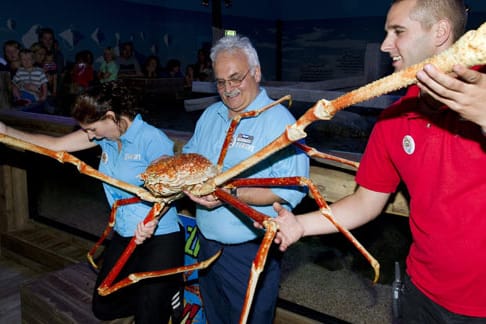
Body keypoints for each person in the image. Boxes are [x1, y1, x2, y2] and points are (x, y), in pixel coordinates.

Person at [271, 0, 486, 323]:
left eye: (397, 32)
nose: (385, 45)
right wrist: (300, 224)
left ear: (440, 32)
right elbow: (365, 201)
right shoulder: (392, 120)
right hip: (421, 294)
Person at [0, 81, 185, 323]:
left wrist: (152, 218)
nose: (88, 135)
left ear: (111, 117)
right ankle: (160, 293)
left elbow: (169, 186)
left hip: (160, 233)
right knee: (104, 306)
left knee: (148, 318)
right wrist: (6, 132)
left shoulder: (152, 139)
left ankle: (158, 296)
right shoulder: (104, 137)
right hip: (125, 232)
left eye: (91, 129)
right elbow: (54, 146)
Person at [182, 35, 309, 323]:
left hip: (252, 250)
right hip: (207, 243)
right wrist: (187, 183)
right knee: (215, 315)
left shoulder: (281, 123)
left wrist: (232, 194)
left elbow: (293, 187)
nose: (228, 89)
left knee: (251, 319)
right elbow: (190, 157)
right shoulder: (210, 115)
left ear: (256, 72)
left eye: (235, 78)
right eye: (220, 82)